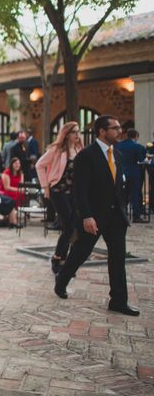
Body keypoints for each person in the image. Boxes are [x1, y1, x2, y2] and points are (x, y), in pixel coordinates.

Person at [54, 115, 139, 316]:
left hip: (116, 217)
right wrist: (86, 216)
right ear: (102, 131)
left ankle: (118, 300)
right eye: (115, 128)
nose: (120, 131)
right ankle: (62, 280)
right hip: (94, 216)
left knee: (118, 257)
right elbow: (80, 190)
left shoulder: (116, 154)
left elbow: (118, 186)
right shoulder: (87, 155)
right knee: (80, 253)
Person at [36, 121, 83, 274]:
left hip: (74, 194)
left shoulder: (79, 149)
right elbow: (39, 165)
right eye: (74, 132)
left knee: (71, 226)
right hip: (58, 191)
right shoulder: (57, 150)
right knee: (68, 226)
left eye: (78, 131)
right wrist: (45, 187)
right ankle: (58, 258)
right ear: (66, 134)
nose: (77, 134)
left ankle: (62, 259)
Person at [116, 129, 147, 223]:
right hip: (134, 173)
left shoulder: (119, 145)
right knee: (135, 194)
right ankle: (136, 216)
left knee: (123, 195)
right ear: (136, 136)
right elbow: (141, 159)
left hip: (122, 173)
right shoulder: (137, 146)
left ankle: (123, 214)